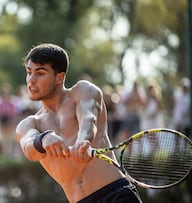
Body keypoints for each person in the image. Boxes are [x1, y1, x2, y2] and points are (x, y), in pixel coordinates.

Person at [15, 43, 142, 203]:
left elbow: (89, 120)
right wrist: (43, 139)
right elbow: (29, 147)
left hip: (115, 195)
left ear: (59, 77)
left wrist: (83, 141)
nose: (31, 80)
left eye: (40, 73)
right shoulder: (30, 123)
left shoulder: (83, 91)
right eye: (29, 72)